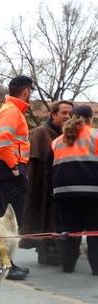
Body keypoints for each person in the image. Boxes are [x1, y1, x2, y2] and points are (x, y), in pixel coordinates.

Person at [0, 75, 33, 280]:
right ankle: (6, 264)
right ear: (26, 91)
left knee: (3, 218)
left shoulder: (7, 110)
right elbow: (5, 143)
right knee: (10, 220)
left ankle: (5, 263)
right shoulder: (12, 112)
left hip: (3, 168)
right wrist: (15, 168)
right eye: (30, 91)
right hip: (9, 169)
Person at [23, 100, 73, 265]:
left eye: (70, 113)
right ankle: (45, 250)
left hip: (63, 183)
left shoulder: (71, 135)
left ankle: (60, 248)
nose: (68, 116)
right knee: (43, 217)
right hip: (42, 185)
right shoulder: (39, 132)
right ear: (53, 114)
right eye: (64, 112)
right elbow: (32, 164)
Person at [51, 105, 98, 275]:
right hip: (93, 190)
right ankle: (96, 269)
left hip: (63, 192)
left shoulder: (57, 141)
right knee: (94, 230)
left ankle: (68, 266)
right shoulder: (95, 135)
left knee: (70, 230)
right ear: (90, 118)